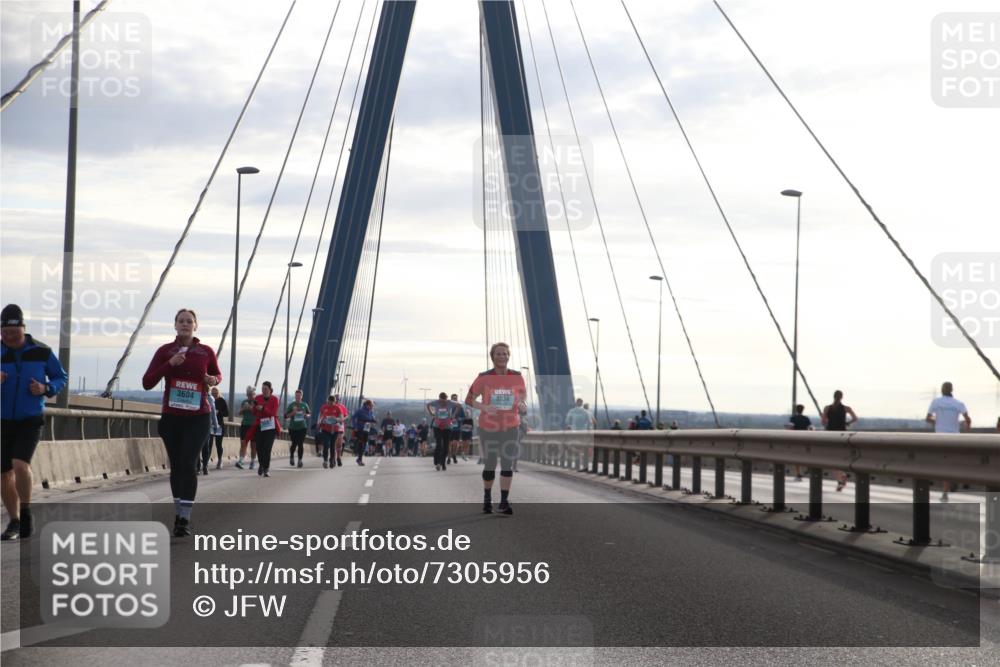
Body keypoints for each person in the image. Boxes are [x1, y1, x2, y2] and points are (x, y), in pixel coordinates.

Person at [142, 308, 221, 537]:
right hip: (172, 418)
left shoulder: (205, 352)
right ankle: (178, 512)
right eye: (181, 321)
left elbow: (217, 374)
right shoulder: (165, 351)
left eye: (189, 321)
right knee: (177, 466)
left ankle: (184, 519)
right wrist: (170, 364)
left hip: (198, 417)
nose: (185, 324)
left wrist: (212, 379)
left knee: (189, 463)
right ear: (175, 325)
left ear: (196, 326)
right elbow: (147, 382)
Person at [1, 304, 68, 541]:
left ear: (23, 329)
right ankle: (14, 521)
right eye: (5, 334)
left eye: (14, 333)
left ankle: (26, 511)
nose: (9, 338)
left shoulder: (41, 351)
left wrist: (45, 388)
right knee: (3, 473)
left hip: (31, 418)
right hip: (3, 420)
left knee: (20, 464)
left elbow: (61, 377)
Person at [466, 342, 527, 515]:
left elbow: (522, 398)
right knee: (491, 463)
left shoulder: (517, 376)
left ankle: (504, 501)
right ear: (492, 357)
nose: (502, 356)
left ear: (509, 356)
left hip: (511, 426)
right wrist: (484, 407)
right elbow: (469, 399)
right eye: (498, 354)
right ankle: (487, 499)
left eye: (505, 354)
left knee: (507, 463)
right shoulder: (484, 377)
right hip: (489, 427)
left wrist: (523, 406)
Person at [926, 381, 972, 501]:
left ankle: (946, 490)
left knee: (943, 463)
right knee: (952, 462)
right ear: (952, 390)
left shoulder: (936, 402)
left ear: (942, 390)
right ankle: (951, 482)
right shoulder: (958, 403)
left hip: (940, 437)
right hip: (955, 438)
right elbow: (968, 419)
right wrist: (966, 427)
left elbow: (928, 418)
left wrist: (938, 421)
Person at [822, 390, 858, 491]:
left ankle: (840, 479)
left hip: (831, 435)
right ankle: (842, 475)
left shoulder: (827, 408)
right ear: (841, 397)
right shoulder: (846, 408)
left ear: (833, 396)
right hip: (842, 435)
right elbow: (855, 418)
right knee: (841, 457)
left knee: (832, 459)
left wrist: (827, 421)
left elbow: (823, 422)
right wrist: (847, 423)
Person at [252, 381, 281, 477]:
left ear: (270, 390)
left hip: (270, 426)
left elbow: (274, 413)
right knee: (259, 448)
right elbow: (254, 413)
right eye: (262, 389)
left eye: (266, 389)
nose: (264, 391)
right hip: (260, 426)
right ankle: (261, 464)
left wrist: (263, 409)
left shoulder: (275, 399)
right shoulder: (257, 398)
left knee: (267, 448)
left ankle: (266, 468)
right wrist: (254, 408)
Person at [427, 392, 460, 471]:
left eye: (444, 401)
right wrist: (431, 412)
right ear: (439, 399)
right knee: (438, 444)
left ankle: (443, 463)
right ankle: (437, 462)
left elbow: (459, 405)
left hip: (447, 427)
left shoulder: (450, 402)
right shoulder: (436, 402)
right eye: (441, 401)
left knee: (446, 446)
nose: (443, 403)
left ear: (446, 399)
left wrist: (454, 415)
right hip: (437, 427)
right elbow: (428, 405)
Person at [785, 404, 812, 481]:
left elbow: (791, 428)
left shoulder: (793, 418)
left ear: (797, 410)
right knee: (805, 455)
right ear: (803, 410)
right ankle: (808, 467)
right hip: (805, 439)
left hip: (796, 439)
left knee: (796, 457)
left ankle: (798, 473)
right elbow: (810, 427)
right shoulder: (806, 418)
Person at [285, 389, 310, 468]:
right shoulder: (291, 405)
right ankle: (292, 456)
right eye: (296, 396)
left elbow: (309, 414)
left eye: (299, 396)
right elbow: (286, 416)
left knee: (300, 444)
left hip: (302, 427)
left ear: (301, 396)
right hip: (293, 428)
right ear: (295, 396)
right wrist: (293, 413)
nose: (297, 397)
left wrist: (306, 415)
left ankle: (300, 460)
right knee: (294, 444)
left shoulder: (304, 404)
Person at [199, 387, 221, 475]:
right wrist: (216, 426)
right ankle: (205, 466)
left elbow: (213, 414)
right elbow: (213, 415)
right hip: (206, 424)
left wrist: (215, 425)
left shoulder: (208, 398)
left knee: (198, 446)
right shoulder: (210, 398)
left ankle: (200, 466)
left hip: (200, 424)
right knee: (205, 446)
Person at [234, 386, 257, 470]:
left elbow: (257, 413)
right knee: (243, 443)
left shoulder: (257, 402)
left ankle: (253, 461)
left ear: (254, 394)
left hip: (254, 425)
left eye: (251, 394)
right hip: (245, 425)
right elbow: (239, 413)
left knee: (253, 445)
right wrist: (243, 408)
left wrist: (251, 408)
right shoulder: (244, 402)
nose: (249, 396)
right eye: (248, 394)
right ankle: (241, 461)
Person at [351, 399, 377, 465]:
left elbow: (371, 418)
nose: (372, 407)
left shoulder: (370, 411)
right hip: (360, 429)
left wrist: (374, 420)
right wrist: (355, 426)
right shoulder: (360, 410)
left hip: (367, 429)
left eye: (372, 406)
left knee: (364, 444)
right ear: (367, 405)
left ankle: (359, 458)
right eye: (371, 406)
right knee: (361, 444)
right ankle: (360, 459)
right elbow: (353, 417)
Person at [210, 387, 228, 469]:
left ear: (218, 393)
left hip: (219, 425)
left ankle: (220, 460)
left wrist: (219, 412)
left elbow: (226, 413)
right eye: (213, 393)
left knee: (218, 444)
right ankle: (206, 461)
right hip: (210, 425)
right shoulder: (209, 400)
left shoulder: (222, 401)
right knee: (209, 444)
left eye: (215, 393)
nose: (214, 395)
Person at [449, 394, 463, 464]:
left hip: (457, 428)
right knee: (449, 444)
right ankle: (448, 457)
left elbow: (463, 417)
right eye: (453, 398)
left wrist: (458, 419)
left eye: (456, 398)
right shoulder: (448, 407)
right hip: (448, 428)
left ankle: (454, 455)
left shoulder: (460, 407)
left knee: (455, 444)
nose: (455, 400)